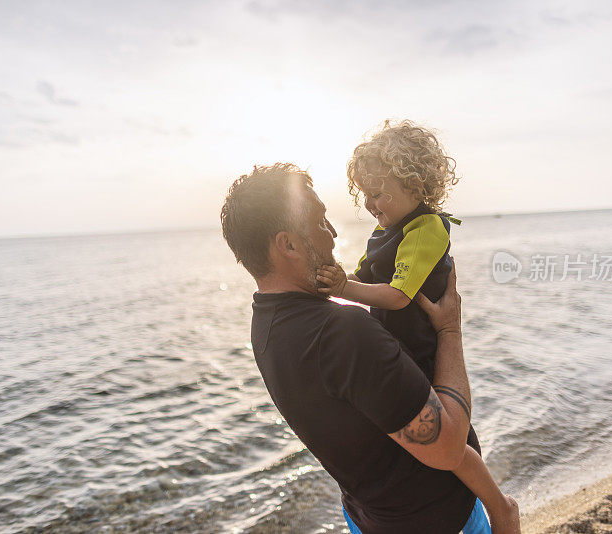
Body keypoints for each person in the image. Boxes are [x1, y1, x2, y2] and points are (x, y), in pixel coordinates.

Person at [220, 163, 519, 533]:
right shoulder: (342, 332)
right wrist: (449, 329)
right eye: (320, 222)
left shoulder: (264, 327)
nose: (332, 235)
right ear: (289, 244)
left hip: (369, 519)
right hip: (436, 522)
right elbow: (449, 447)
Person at [316, 120, 516, 532]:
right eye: (365, 195)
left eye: (378, 194)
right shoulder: (385, 229)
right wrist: (329, 287)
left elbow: (397, 295)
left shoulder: (426, 228)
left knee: (450, 440)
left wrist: (346, 288)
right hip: (395, 344)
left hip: (422, 346)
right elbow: (361, 278)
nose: (370, 204)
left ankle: (500, 505)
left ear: (416, 185)